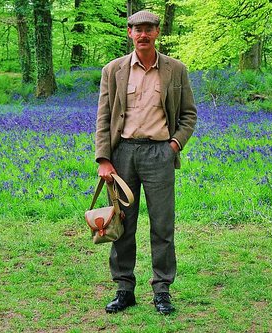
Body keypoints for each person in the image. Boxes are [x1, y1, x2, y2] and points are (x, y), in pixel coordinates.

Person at [95, 10, 197, 315]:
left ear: (157, 33)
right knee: (122, 224)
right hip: (123, 154)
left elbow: (189, 115)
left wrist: (175, 144)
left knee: (162, 225)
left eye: (149, 29)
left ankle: (162, 290)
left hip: (159, 155)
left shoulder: (176, 70)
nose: (143, 34)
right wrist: (103, 158)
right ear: (129, 33)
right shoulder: (112, 70)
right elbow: (103, 117)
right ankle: (124, 288)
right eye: (137, 29)